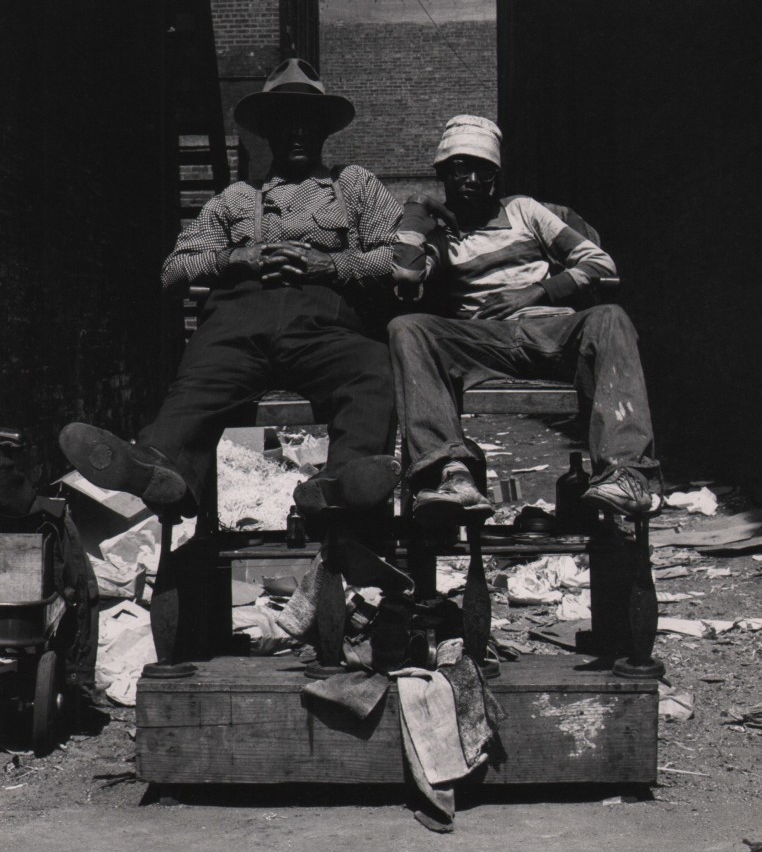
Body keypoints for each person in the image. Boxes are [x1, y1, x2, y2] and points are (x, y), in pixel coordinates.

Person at [60, 59, 402, 522]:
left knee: (371, 371)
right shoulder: (234, 198)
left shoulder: (354, 185)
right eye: (285, 121)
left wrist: (333, 263)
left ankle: (342, 482)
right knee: (197, 386)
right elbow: (172, 271)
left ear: (325, 129)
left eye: (309, 121)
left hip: (327, 328)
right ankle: (156, 468)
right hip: (237, 326)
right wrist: (235, 259)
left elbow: (398, 261)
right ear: (267, 131)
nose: (297, 132)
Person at [388, 114, 659, 526]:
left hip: (548, 328)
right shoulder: (440, 234)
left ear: (496, 175)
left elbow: (600, 264)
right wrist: (415, 211)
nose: (473, 179)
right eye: (461, 167)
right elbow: (406, 277)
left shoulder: (523, 211)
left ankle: (626, 474)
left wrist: (534, 292)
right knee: (407, 327)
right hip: (481, 339)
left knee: (610, 317)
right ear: (443, 171)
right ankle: (449, 474)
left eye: (484, 169)